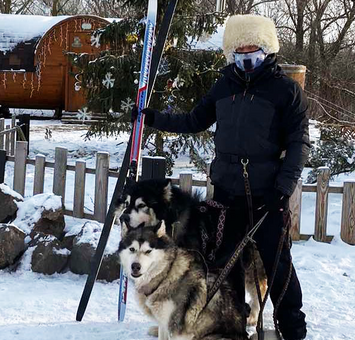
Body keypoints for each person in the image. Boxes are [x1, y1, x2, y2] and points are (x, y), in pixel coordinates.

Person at [131, 14, 309, 340]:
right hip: (227, 193)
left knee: (277, 263)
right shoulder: (224, 85)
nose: (245, 55)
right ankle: (233, 325)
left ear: (266, 49)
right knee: (225, 265)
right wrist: (154, 118)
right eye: (239, 49)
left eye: (252, 48)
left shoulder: (285, 90)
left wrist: (283, 187)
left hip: (268, 194)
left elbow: (299, 143)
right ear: (231, 52)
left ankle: (292, 329)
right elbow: (194, 120)